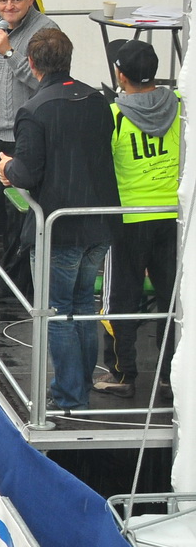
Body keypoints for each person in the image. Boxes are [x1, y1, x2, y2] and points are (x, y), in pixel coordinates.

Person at [0, 27, 118, 412]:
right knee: (84, 305)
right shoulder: (98, 100)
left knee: (57, 312)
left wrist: (7, 166)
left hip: (59, 228)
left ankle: (70, 394)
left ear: (31, 65)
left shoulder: (34, 110)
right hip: (100, 221)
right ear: (68, 59)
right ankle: (78, 387)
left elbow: (27, 174)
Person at [100, 39, 181, 395]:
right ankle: (169, 376)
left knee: (122, 298)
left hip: (130, 217)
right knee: (171, 299)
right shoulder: (179, 106)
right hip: (173, 218)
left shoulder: (115, 115)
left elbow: (101, 164)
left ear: (121, 75)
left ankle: (124, 375)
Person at [0, 0, 51, 299]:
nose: (9, 7)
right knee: (4, 214)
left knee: (23, 213)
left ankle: (17, 284)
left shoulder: (45, 33)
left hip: (24, 137)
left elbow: (43, 82)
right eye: (3, 0)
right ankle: (11, 280)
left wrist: (9, 53)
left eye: (16, 0)